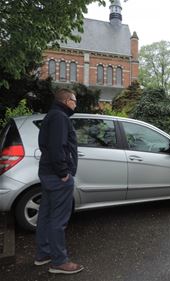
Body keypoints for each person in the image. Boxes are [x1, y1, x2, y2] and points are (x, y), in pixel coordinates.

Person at [34, 88, 83, 274]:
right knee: (58, 220)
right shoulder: (60, 118)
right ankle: (59, 262)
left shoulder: (52, 116)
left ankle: (43, 254)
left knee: (46, 215)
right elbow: (57, 147)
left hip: (48, 174)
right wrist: (64, 173)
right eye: (75, 101)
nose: (76, 104)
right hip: (57, 176)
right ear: (67, 100)